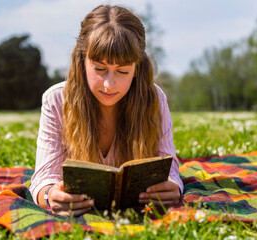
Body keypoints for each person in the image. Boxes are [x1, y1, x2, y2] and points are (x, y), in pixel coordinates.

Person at [30, 4, 183, 216]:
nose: (109, 84)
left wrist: (172, 186)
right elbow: (43, 177)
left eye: (122, 71)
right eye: (100, 69)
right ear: (82, 61)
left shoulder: (155, 99)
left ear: (137, 69)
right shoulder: (56, 100)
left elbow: (170, 168)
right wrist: (50, 195)